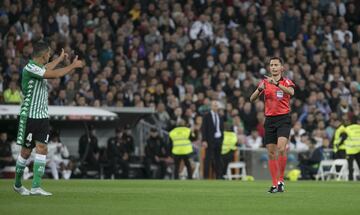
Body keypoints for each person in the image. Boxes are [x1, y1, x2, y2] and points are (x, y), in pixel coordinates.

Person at [13, 41, 83, 196]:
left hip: (42, 115)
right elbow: (54, 74)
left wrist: (58, 60)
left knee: (42, 148)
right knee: (25, 152)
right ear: (43, 54)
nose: (50, 55)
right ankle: (17, 184)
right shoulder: (29, 68)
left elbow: (47, 68)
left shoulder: (38, 67)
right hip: (29, 116)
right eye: (49, 53)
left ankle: (36, 186)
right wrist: (72, 66)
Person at [250, 57, 295, 193]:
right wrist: (259, 89)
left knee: (281, 148)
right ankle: (275, 184)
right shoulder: (264, 82)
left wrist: (275, 84)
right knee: (270, 152)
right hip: (269, 120)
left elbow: (291, 92)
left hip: (283, 118)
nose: (273, 67)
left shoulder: (286, 81)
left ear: (282, 68)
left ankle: (281, 180)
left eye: (276, 65)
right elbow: (251, 99)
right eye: (271, 65)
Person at [201, 100, 224, 179]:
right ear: (211, 106)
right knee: (208, 158)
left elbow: (221, 129)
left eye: (216, 105)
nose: (215, 107)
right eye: (214, 105)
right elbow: (204, 128)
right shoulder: (206, 116)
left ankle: (218, 176)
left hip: (218, 140)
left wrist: (221, 139)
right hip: (210, 140)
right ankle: (206, 176)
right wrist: (204, 140)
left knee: (218, 159)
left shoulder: (220, 116)